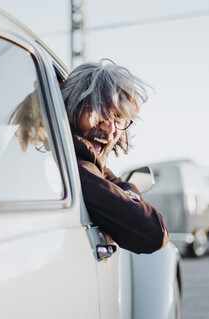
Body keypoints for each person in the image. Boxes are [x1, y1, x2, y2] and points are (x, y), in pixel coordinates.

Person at [60, 59, 168, 254]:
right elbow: (153, 233)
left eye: (118, 119)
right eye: (100, 113)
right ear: (70, 108)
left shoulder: (91, 167)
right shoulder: (75, 168)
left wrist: (124, 188)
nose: (110, 130)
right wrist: (128, 190)